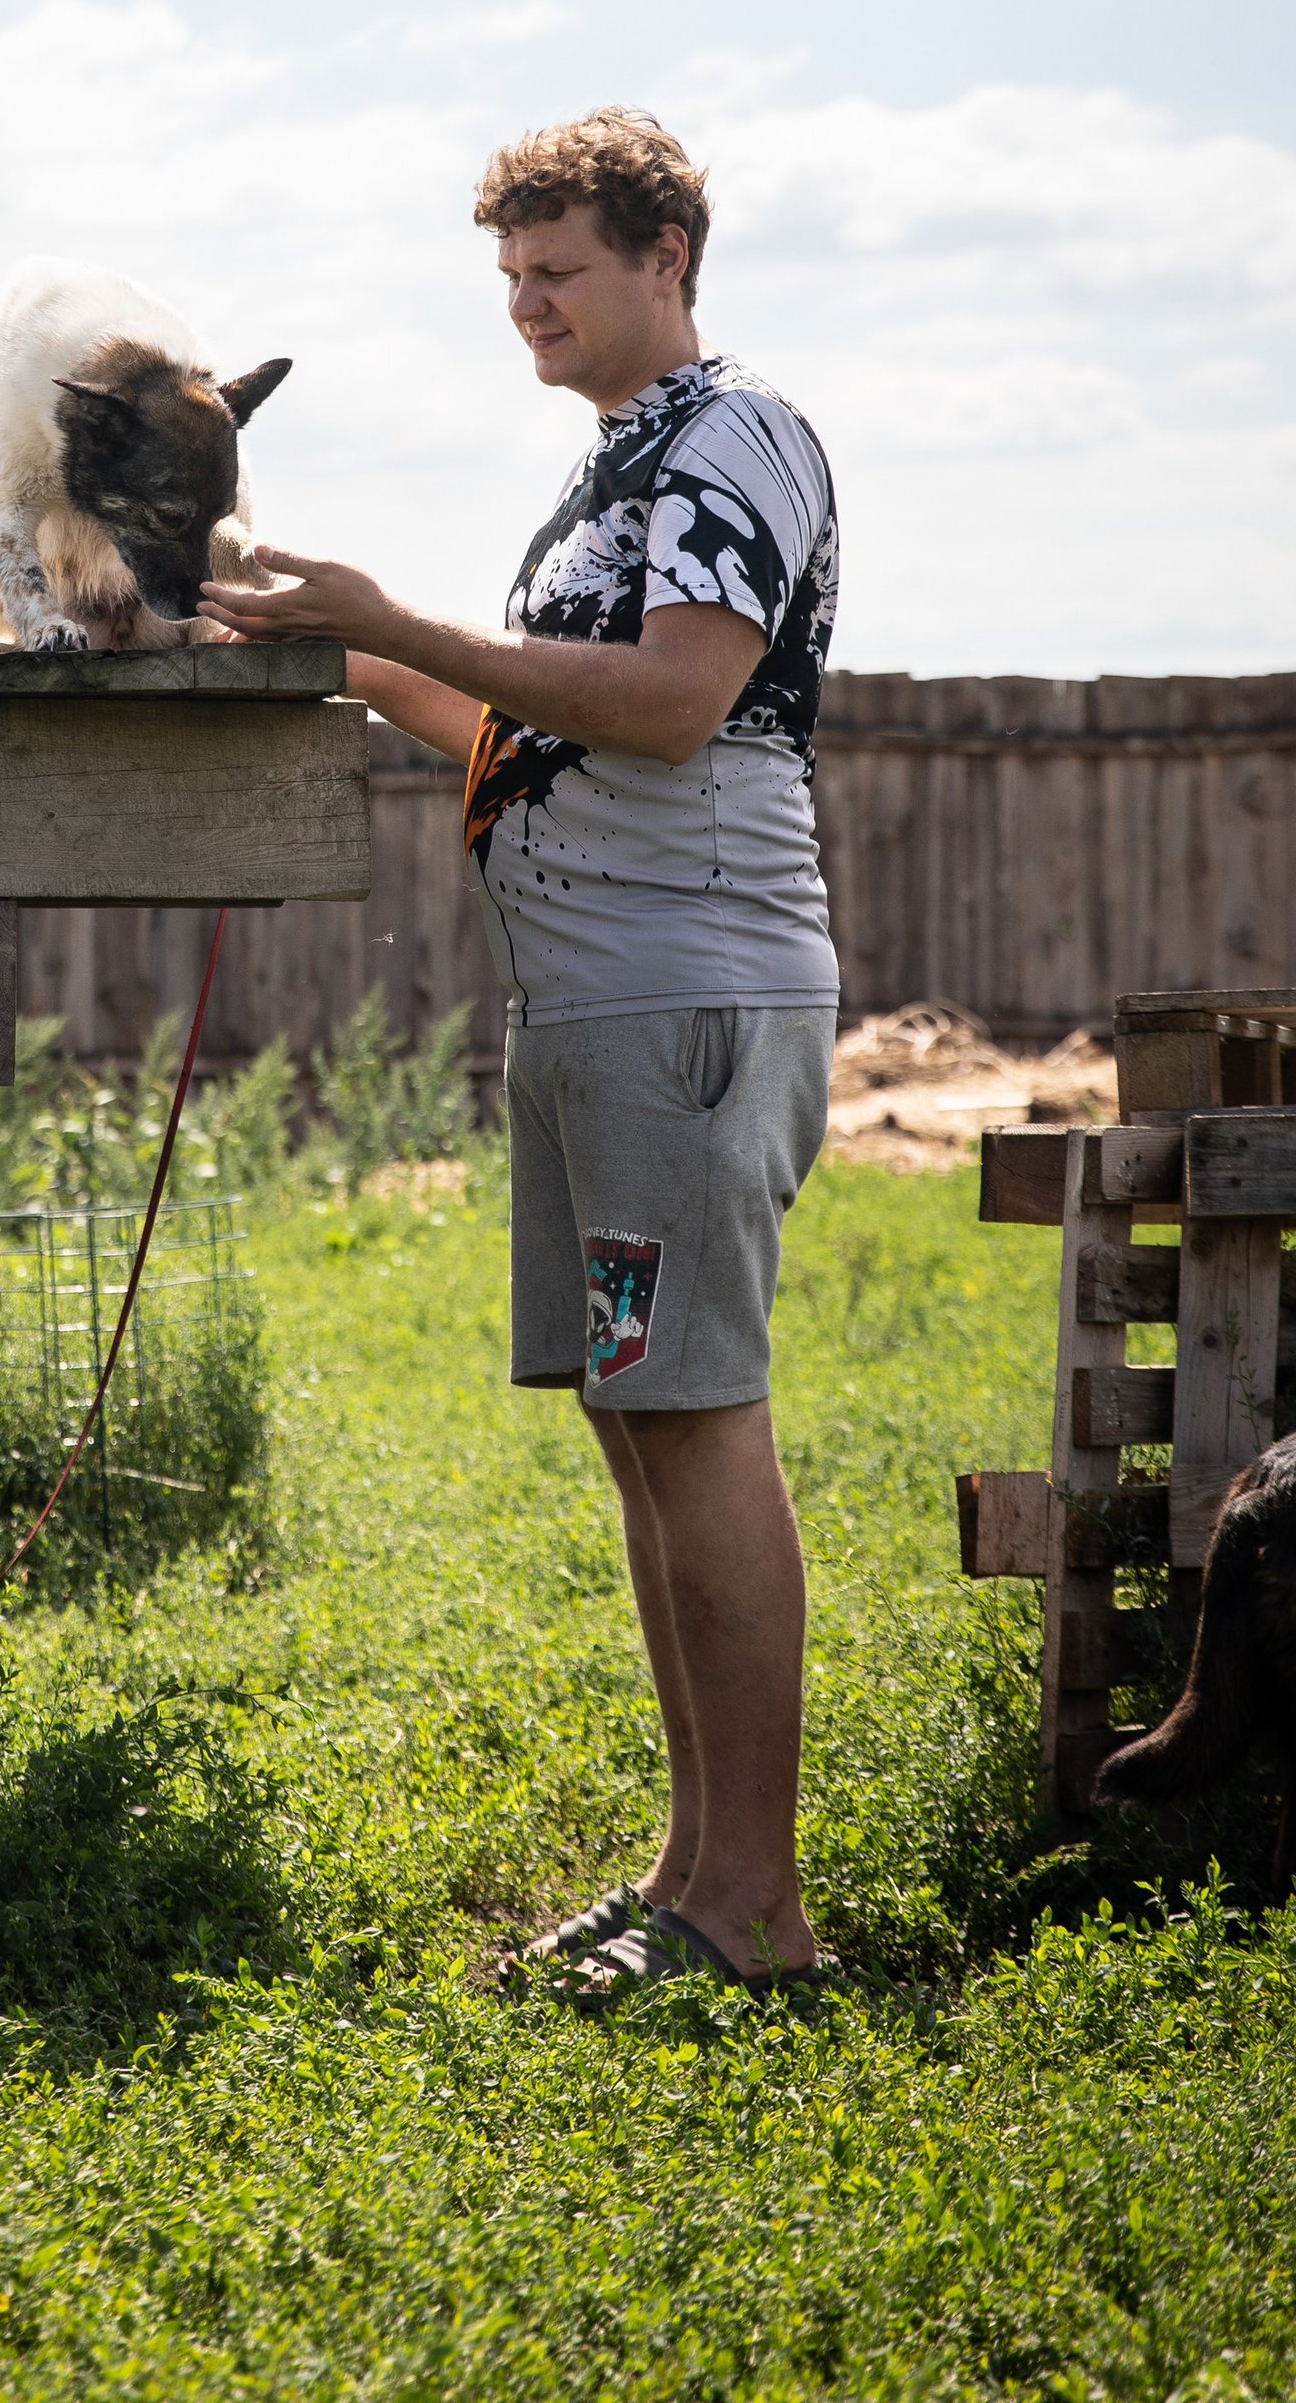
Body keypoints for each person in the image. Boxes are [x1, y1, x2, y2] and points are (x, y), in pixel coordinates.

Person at [204, 105, 839, 1992]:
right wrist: (326, 642)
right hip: (597, 1010)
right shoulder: (613, 476)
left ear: (671, 264)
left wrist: (401, 618)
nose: (527, 305)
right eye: (508, 275)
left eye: (560, 272)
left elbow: (667, 706)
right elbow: (525, 729)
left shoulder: (735, 442)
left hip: (686, 1000)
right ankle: (692, 1870)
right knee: (644, 1431)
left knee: (699, 1423)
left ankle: (762, 1910)